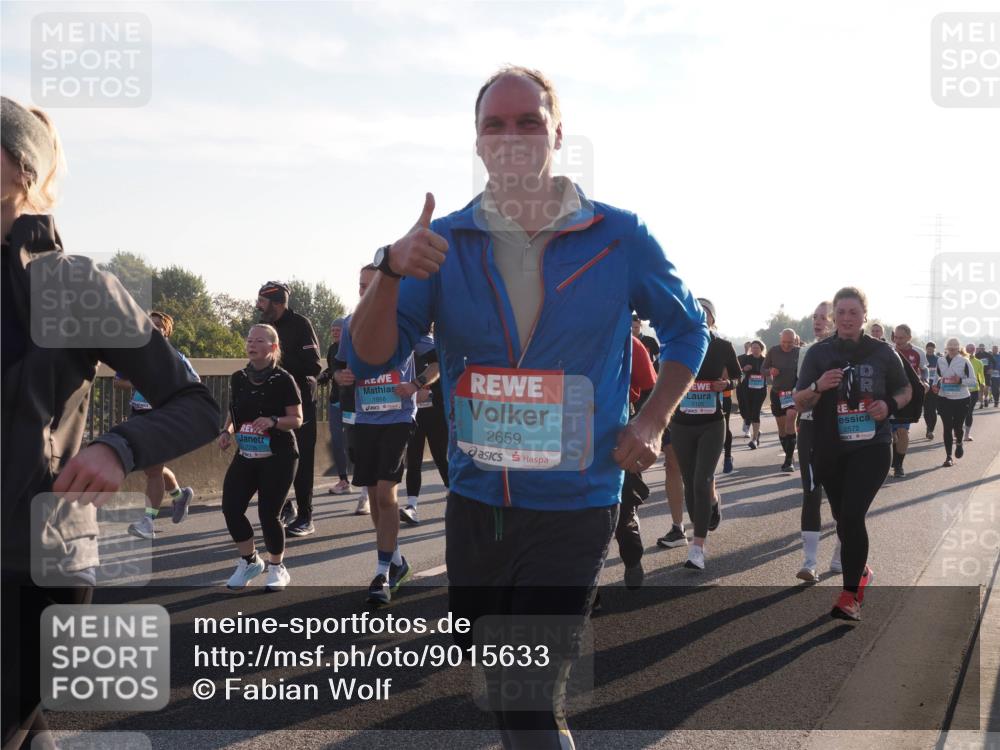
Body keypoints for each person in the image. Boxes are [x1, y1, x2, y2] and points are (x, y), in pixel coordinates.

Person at [346, 66, 708, 747]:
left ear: (557, 135)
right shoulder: (442, 244)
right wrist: (391, 272)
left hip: (576, 499)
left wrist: (653, 418)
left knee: (529, 694)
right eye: (495, 125)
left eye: (528, 122)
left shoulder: (618, 235)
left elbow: (689, 329)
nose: (511, 136)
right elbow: (369, 355)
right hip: (478, 500)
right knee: (496, 684)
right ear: (478, 143)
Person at [1, 96, 220, 750]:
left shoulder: (75, 286)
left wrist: (118, 448)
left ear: (19, 170)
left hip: (35, 564)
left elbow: (198, 404)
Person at [795, 287, 911, 621]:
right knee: (843, 518)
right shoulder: (819, 353)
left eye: (853, 313)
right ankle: (861, 572)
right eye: (841, 312)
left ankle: (849, 597)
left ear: (865, 316)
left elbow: (904, 389)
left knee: (852, 514)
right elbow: (800, 400)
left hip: (872, 445)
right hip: (831, 446)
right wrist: (818, 387)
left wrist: (888, 404)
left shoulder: (883, 352)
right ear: (834, 317)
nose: (847, 318)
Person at [340, 264, 424, 605]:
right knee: (374, 497)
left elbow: (437, 361)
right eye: (360, 286)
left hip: (399, 418)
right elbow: (341, 365)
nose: (363, 292)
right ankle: (397, 561)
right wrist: (342, 376)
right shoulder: (351, 323)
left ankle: (380, 573)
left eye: (369, 286)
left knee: (388, 494)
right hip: (365, 420)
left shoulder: (408, 322)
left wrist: (416, 384)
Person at [217, 324, 302, 590]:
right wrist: (227, 431)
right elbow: (235, 411)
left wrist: (274, 420)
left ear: (273, 348)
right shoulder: (238, 377)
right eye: (249, 339)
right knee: (231, 508)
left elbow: (296, 419)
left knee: (268, 513)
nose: (252, 344)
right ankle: (250, 561)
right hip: (247, 452)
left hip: (279, 454)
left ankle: (277, 567)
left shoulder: (284, 379)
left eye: (259, 340)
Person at [669, 298, 740, 570]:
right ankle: (712, 502)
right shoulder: (677, 343)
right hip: (682, 424)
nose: (698, 315)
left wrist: (726, 384)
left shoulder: (722, 346)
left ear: (712, 318)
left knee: (702, 480)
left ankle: (697, 548)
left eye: (704, 311)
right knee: (690, 483)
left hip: (712, 423)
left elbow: (737, 377)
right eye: (693, 311)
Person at [113, 311, 198, 539]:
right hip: (138, 414)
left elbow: (195, 382)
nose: (152, 328)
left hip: (163, 416)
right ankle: (179, 495)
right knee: (151, 467)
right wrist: (136, 381)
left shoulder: (176, 358)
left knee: (153, 470)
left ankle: (148, 521)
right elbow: (118, 380)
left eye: (158, 325)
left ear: (166, 332)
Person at [256, 281, 321, 536]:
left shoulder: (300, 324)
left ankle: (306, 516)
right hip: (271, 402)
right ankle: (285, 507)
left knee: (301, 460)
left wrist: (278, 357)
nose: (259, 306)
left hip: (300, 404)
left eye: (263, 302)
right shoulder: (265, 327)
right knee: (270, 457)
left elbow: (313, 366)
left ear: (278, 303)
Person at [793, 300, 837, 582]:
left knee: (842, 498)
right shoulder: (807, 351)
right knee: (811, 493)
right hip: (810, 427)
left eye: (823, 317)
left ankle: (842, 554)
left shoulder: (852, 351)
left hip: (841, 430)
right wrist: (815, 389)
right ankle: (809, 561)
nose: (817, 321)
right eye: (815, 317)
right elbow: (802, 396)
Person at [614, 332, 658, 588]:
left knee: (623, 507)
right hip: (566, 433)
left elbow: (651, 388)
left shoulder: (629, 342)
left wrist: (645, 428)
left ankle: (632, 560)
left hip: (619, 430)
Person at [402, 331, 448, 526]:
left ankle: (452, 495)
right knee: (413, 460)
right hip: (413, 414)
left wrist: (427, 392)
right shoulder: (402, 345)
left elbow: (445, 375)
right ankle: (412, 506)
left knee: (441, 457)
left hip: (436, 412)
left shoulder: (433, 345)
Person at [317, 319, 352, 496]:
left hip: (352, 402)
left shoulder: (354, 346)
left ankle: (368, 481)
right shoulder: (332, 349)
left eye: (338, 330)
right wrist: (326, 375)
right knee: (337, 442)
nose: (335, 333)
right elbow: (334, 369)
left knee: (353, 442)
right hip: (335, 400)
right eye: (333, 330)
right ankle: (343, 480)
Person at [889, 324, 928, 479]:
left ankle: (898, 465)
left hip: (908, 398)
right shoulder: (889, 351)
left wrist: (925, 382)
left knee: (902, 431)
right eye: (895, 337)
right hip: (889, 396)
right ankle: (893, 458)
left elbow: (925, 370)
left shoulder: (918, 352)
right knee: (892, 433)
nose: (897, 341)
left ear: (909, 337)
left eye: (901, 338)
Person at [933, 338, 976, 466]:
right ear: (946, 347)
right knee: (947, 427)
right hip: (944, 398)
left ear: (958, 348)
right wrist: (935, 385)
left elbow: (973, 381)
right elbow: (937, 376)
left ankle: (959, 443)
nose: (952, 348)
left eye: (954, 346)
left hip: (961, 399)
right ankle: (948, 457)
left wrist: (960, 381)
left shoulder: (964, 361)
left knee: (958, 426)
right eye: (950, 345)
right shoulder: (940, 360)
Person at [764, 329, 799, 471]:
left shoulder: (799, 352)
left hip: (793, 393)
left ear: (795, 340)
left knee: (791, 419)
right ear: (780, 340)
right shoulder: (773, 351)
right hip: (777, 393)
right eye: (784, 342)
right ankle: (788, 452)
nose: (786, 345)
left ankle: (789, 461)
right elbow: (763, 369)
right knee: (781, 427)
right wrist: (770, 371)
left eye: (790, 342)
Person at [737, 340, 767, 448]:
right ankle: (756, 431)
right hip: (747, 389)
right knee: (747, 412)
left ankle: (754, 439)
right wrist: (744, 369)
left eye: (757, 348)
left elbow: (770, 374)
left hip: (760, 390)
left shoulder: (765, 360)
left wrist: (768, 372)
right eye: (753, 347)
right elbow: (737, 371)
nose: (755, 350)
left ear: (761, 349)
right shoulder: (746, 359)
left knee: (755, 412)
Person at [963, 343, 985, 441]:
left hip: (973, 391)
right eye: (968, 349)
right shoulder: (961, 361)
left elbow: (981, 377)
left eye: (972, 349)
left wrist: (982, 387)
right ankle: (958, 430)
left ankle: (966, 434)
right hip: (961, 390)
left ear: (974, 351)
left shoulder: (979, 362)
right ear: (965, 350)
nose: (970, 351)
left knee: (969, 412)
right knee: (959, 413)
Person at [924, 341, 940, 439]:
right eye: (928, 348)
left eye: (932, 348)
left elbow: (941, 374)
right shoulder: (923, 358)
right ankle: (928, 427)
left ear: (934, 349)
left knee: (933, 410)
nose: (930, 349)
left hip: (935, 388)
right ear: (926, 348)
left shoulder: (938, 360)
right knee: (926, 410)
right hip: (925, 388)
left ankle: (931, 430)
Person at [974, 343, 994, 408]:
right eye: (981, 348)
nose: (982, 349)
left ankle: (986, 399)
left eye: (983, 348)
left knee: (986, 387)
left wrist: (991, 369)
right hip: (979, 373)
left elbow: (994, 362)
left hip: (987, 373)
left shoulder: (988, 355)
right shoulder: (976, 355)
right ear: (979, 348)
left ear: (984, 348)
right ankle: (981, 403)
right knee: (981, 388)